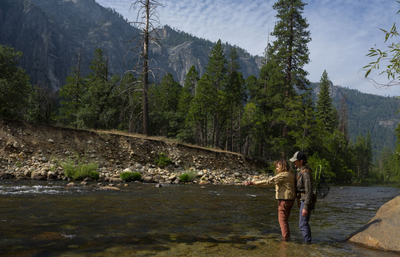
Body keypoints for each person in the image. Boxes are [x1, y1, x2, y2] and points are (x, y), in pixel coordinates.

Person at [244, 159, 296, 241]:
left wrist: (253, 183)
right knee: (285, 220)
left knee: (282, 221)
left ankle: (285, 240)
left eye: (278, 167)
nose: (276, 169)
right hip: (290, 200)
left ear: (283, 167)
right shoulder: (291, 174)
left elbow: (269, 182)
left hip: (284, 200)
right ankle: (286, 237)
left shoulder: (283, 175)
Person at [290, 151, 313, 243]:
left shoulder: (306, 173)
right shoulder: (300, 171)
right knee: (303, 223)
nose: (293, 162)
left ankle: (307, 243)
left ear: (301, 161)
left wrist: (306, 207)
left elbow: (309, 191)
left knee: (303, 224)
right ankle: (307, 242)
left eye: (295, 161)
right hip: (302, 200)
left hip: (305, 201)